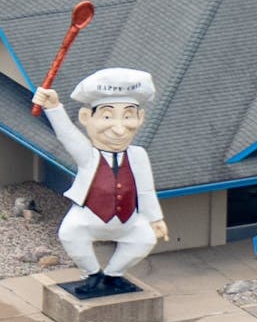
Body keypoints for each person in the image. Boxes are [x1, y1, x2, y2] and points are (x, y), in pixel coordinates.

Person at [32, 67, 168, 297]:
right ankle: (92, 273)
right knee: (70, 233)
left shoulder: (138, 155)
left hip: (128, 220)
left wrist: (155, 218)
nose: (118, 128)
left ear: (140, 118)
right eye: (107, 116)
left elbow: (145, 190)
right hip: (89, 217)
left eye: (128, 117)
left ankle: (114, 274)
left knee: (144, 239)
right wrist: (53, 107)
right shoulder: (88, 156)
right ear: (87, 118)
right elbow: (68, 136)